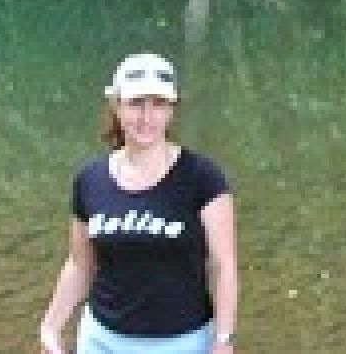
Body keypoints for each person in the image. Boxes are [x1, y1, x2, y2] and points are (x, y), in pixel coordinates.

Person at [40, 53, 238, 354]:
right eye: (136, 104)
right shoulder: (90, 179)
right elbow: (81, 264)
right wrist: (51, 327)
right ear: (116, 107)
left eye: (159, 104)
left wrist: (223, 339)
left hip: (183, 343)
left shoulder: (203, 177)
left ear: (172, 110)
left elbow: (222, 265)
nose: (147, 117)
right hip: (100, 341)